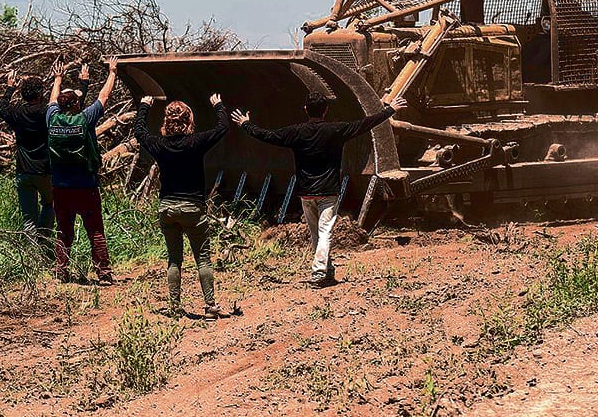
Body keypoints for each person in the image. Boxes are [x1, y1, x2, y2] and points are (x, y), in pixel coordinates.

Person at [231, 92, 407, 288]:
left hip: (305, 192)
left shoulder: (296, 132)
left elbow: (268, 135)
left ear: (306, 109)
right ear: (326, 110)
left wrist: (246, 125)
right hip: (329, 192)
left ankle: (327, 269)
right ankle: (319, 272)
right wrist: (390, 110)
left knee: (317, 234)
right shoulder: (336, 130)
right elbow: (365, 124)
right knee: (325, 233)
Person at [134, 93, 231, 320]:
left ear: (167, 122)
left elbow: (140, 132)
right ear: (189, 121)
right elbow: (222, 128)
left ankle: (175, 307)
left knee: (174, 259)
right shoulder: (196, 143)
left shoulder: (159, 144)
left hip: (167, 208)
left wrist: (144, 107)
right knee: (203, 259)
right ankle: (209, 307)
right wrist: (218, 106)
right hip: (192, 208)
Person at [0, 68, 88, 257]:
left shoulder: (16, 113)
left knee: (28, 217)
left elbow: (2, 108)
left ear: (22, 94)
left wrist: (9, 88)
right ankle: (43, 242)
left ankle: (32, 256)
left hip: (23, 172)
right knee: (50, 204)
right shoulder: (46, 114)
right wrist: (59, 79)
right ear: (40, 94)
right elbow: (58, 104)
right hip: (45, 170)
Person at [46, 57, 118, 285]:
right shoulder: (85, 118)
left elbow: (50, 101)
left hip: (60, 186)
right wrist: (112, 73)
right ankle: (104, 273)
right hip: (86, 186)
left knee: (63, 231)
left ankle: (61, 271)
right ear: (76, 105)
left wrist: (57, 79)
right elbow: (103, 97)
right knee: (95, 230)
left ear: (60, 105)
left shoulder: (51, 119)